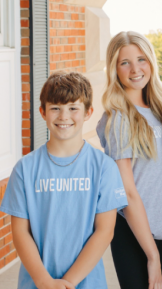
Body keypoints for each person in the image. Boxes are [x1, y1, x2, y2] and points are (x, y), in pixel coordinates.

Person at [0, 72, 128, 289]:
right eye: (55, 108)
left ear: (88, 112)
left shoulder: (104, 167)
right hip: (36, 283)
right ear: (43, 112)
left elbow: (105, 231)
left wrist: (68, 283)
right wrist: (44, 282)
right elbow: (20, 232)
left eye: (73, 108)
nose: (63, 116)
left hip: (87, 283)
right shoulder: (25, 169)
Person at [96, 31, 162, 289]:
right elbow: (127, 191)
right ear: (114, 69)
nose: (135, 69)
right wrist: (152, 254)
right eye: (125, 63)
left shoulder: (158, 112)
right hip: (136, 234)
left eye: (141, 59)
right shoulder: (119, 118)